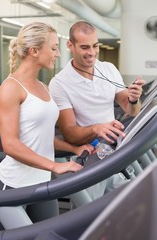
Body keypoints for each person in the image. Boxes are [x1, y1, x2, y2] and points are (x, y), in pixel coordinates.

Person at [0, 22, 93, 225]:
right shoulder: (10, 89)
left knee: (51, 233)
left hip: (41, 181)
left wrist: (74, 149)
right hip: (14, 185)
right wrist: (55, 167)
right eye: (53, 48)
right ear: (34, 51)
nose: (58, 54)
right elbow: (10, 145)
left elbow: (43, 137)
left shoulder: (44, 87)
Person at [49, 21, 145, 206]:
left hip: (113, 151)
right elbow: (69, 132)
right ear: (70, 45)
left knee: (134, 204)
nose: (91, 53)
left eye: (95, 46)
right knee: (92, 215)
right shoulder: (60, 83)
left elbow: (131, 109)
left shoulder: (108, 69)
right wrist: (96, 128)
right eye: (84, 47)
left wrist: (133, 98)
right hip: (89, 157)